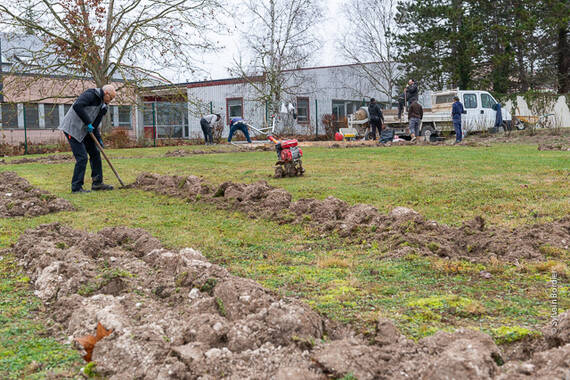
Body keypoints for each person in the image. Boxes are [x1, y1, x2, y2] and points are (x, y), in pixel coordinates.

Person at [58, 85, 116, 193]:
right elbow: (77, 106)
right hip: (73, 128)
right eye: (111, 98)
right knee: (82, 157)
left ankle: (97, 183)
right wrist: (88, 123)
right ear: (106, 93)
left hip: (85, 130)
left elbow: (95, 124)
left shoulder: (103, 107)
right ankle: (76, 187)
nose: (110, 101)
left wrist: (98, 139)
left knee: (95, 153)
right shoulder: (90, 94)